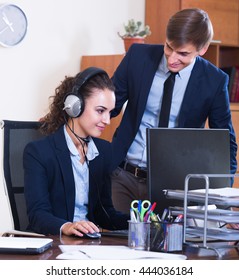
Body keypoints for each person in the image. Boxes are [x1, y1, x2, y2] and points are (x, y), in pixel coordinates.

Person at [110, 8, 238, 214]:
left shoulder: (214, 81)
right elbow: (108, 106)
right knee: (113, 241)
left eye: (183, 53)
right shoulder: (137, 57)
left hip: (174, 186)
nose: (171, 59)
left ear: (202, 49)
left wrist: (223, 201)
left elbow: (225, 143)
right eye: (169, 47)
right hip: (123, 178)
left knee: (166, 245)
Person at [23, 67, 129, 236]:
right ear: (75, 106)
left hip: (88, 243)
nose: (107, 121)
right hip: (54, 243)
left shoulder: (103, 150)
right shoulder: (39, 152)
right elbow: (37, 215)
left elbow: (104, 212)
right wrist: (66, 226)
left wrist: (139, 222)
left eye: (110, 112)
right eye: (100, 111)